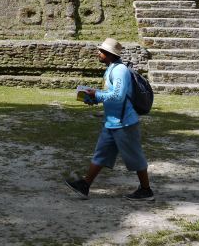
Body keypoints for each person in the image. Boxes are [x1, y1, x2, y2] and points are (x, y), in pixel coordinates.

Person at [65, 38, 154, 201]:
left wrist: (97, 95)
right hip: (112, 121)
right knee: (101, 154)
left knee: (135, 157)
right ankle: (85, 185)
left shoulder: (120, 70)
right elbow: (110, 94)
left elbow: (118, 96)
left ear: (109, 55)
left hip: (124, 123)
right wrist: (93, 98)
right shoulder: (110, 69)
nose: (98, 53)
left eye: (101, 51)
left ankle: (146, 190)